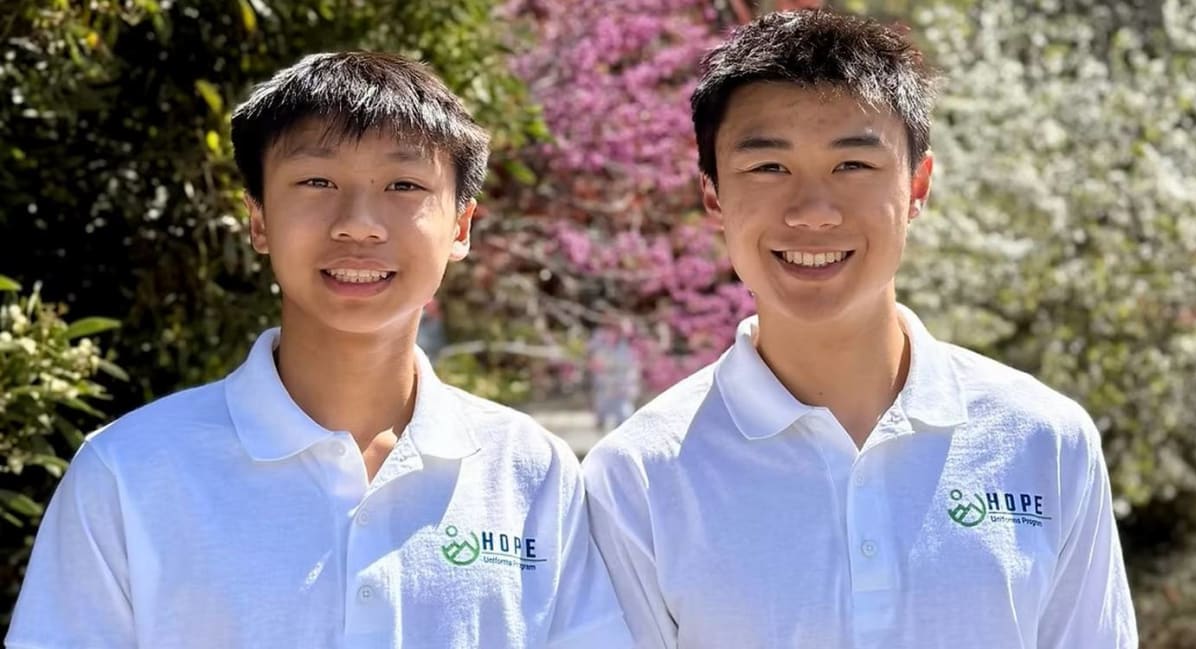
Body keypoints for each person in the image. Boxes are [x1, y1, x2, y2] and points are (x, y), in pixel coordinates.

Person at [7, 51, 631, 649]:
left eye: (403, 184)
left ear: (461, 227)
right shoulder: (128, 471)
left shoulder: (532, 472)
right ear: (258, 219)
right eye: (316, 179)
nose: (358, 222)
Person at [582, 10, 1137, 649]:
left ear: (918, 184)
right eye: (768, 168)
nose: (813, 212)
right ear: (713, 196)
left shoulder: (1043, 439)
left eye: (853, 165)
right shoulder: (638, 476)